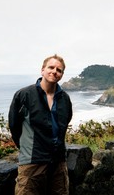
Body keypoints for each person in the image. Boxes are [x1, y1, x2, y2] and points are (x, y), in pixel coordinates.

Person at [8, 54, 73, 195]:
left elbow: (65, 122)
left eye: (59, 70)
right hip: (32, 162)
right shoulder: (24, 95)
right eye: (51, 67)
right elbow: (14, 126)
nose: (54, 71)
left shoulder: (64, 99)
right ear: (42, 70)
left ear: (61, 75)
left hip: (58, 163)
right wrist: (27, 147)